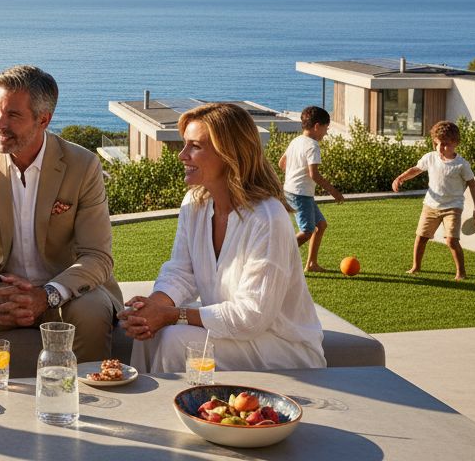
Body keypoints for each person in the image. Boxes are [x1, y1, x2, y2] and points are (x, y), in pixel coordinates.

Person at [0, 65, 122, 379]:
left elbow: (97, 257)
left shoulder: (82, 165)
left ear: (43, 119)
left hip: (65, 294)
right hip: (0, 295)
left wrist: (45, 295)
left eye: (13, 115)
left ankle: (85, 400)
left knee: (93, 311)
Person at [122, 102, 325, 373]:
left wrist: (172, 315)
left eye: (195, 146)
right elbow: (181, 272)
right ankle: (144, 399)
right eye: (185, 144)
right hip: (235, 336)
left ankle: (179, 400)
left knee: (174, 340)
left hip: (282, 346)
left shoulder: (268, 218)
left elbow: (252, 316)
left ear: (229, 153)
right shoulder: (194, 203)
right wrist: (152, 307)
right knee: (148, 330)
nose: (182, 155)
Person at [393, 120, 475, 280]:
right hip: (430, 206)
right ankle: (416, 267)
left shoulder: (461, 165)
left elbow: (473, 186)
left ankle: (461, 272)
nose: (440, 148)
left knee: (451, 241)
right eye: (437, 144)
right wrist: (401, 178)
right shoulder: (431, 158)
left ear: (455, 143)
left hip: (453, 207)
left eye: (445, 144)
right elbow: (416, 169)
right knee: (421, 237)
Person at [279, 106, 344, 272]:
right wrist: (334, 192)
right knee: (307, 231)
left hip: (294, 190)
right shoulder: (313, 146)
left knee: (320, 225)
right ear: (317, 126)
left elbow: (281, 163)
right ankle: (277, 256)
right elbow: (313, 174)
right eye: (326, 128)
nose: (326, 133)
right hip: (300, 193)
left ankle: (311, 264)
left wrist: (294, 173)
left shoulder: (296, 141)